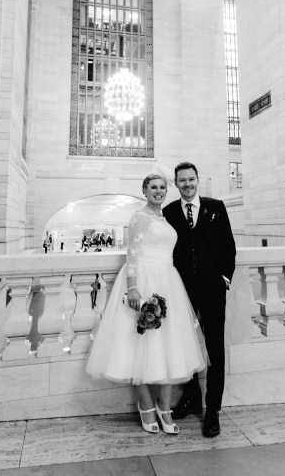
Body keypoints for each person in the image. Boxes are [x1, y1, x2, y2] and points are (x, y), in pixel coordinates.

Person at [85, 173, 207, 435]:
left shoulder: (164, 217)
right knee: (137, 344)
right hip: (143, 278)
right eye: (153, 187)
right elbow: (132, 253)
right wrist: (132, 287)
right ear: (144, 190)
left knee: (170, 345)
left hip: (168, 281)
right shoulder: (139, 216)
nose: (159, 191)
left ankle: (164, 406)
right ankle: (146, 405)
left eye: (162, 187)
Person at [163, 161, 236, 438]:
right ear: (176, 183)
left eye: (191, 179)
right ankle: (192, 398)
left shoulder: (216, 207)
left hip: (213, 290)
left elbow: (229, 246)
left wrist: (224, 278)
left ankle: (213, 409)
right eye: (182, 180)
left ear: (197, 179)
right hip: (182, 291)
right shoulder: (169, 212)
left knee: (215, 349)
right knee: (184, 346)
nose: (187, 184)